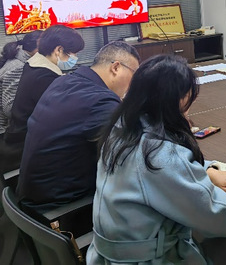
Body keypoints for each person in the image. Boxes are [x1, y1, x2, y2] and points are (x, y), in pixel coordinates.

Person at [87, 55, 226, 264]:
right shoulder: (158, 154)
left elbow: (161, 174)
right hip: (148, 259)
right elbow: (224, 218)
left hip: (110, 254)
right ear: (179, 99)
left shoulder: (122, 128)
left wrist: (208, 171)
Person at [17, 41, 141, 213]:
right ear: (116, 67)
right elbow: (132, 152)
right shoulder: (100, 101)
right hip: (61, 208)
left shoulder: (64, 81)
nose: (133, 84)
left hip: (32, 195)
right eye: (134, 75)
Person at [0, 25, 84, 172]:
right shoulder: (45, 76)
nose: (75, 58)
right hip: (27, 151)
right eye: (73, 53)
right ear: (58, 50)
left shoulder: (32, 66)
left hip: (19, 142)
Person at [0, 30, 42, 134]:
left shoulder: (22, 60)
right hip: (6, 129)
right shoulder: (18, 67)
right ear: (37, 49)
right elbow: (11, 109)